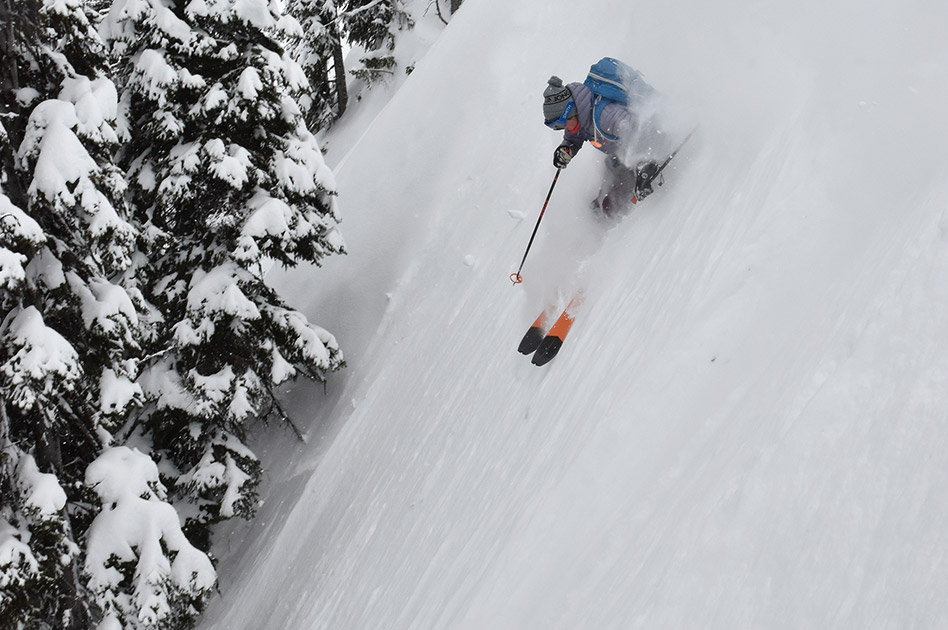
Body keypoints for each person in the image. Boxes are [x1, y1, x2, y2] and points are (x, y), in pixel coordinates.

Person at [542, 73, 664, 217]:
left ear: (569, 112)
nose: (563, 129)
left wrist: (644, 165)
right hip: (620, 156)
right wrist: (565, 149)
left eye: (560, 124)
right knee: (612, 170)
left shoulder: (606, 116)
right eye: (556, 127)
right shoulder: (580, 120)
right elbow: (573, 140)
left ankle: (617, 209)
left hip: (650, 143)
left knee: (619, 171)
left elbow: (639, 131)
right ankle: (604, 210)